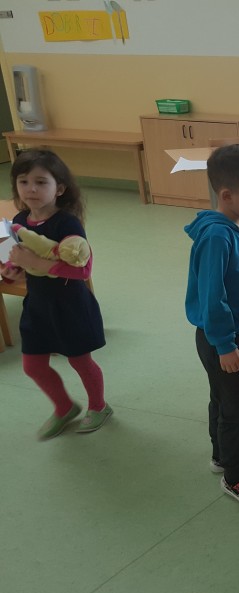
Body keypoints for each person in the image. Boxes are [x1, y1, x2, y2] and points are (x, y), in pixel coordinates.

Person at [185, 144, 239, 509]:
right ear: (226, 195)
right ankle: (234, 476)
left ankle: (223, 454)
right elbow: (213, 298)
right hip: (220, 338)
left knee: (223, 400)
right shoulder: (217, 237)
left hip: (236, 332)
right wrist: (225, 345)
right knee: (237, 408)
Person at [0, 149, 110, 440]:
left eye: (41, 182)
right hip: (37, 306)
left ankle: (99, 406)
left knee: (80, 361)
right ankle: (64, 407)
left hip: (70, 305)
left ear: (59, 188)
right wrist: (13, 270)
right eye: (23, 182)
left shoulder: (68, 224)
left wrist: (36, 263)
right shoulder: (20, 220)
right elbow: (21, 258)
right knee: (32, 366)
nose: (31, 189)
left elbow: (83, 271)